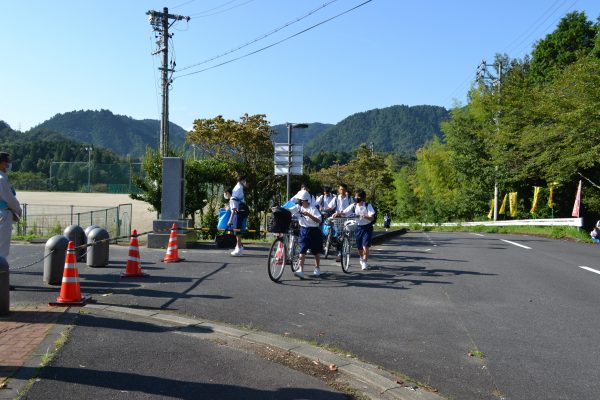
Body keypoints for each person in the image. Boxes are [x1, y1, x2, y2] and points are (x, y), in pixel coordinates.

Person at [333, 189, 375, 271]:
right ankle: (361, 258)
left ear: (362, 197)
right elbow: (345, 212)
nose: (356, 198)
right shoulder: (354, 205)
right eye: (355, 196)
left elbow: (372, 218)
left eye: (358, 196)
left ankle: (364, 262)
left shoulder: (367, 205)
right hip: (358, 227)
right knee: (359, 247)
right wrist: (338, 213)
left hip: (367, 227)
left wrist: (364, 216)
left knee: (365, 246)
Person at [285, 190, 323, 278]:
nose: (299, 201)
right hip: (303, 230)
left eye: (300, 200)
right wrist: (280, 209)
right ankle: (300, 270)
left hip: (314, 231)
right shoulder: (298, 207)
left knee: (316, 251)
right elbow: (289, 210)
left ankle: (317, 268)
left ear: (304, 200)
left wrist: (309, 215)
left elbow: (319, 220)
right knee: (302, 249)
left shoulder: (313, 208)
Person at [0, 152, 22, 258]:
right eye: (7, 162)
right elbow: (9, 199)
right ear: (1, 163)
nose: (9, 165)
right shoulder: (1, 179)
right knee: (2, 247)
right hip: (3, 213)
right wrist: (18, 210)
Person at [325, 184, 353, 261]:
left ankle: (347, 250)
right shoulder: (336, 198)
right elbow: (330, 207)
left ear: (346, 190)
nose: (341, 191)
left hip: (347, 219)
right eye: (340, 189)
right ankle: (339, 253)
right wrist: (324, 210)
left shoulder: (350, 198)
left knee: (347, 235)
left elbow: (352, 208)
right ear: (338, 190)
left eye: (343, 189)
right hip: (338, 219)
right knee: (338, 236)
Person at [228, 175, 248, 256]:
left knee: (237, 232)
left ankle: (239, 248)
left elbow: (234, 206)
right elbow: (236, 202)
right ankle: (239, 247)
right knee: (237, 232)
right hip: (239, 211)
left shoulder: (238, 187)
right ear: (242, 180)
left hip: (239, 212)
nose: (245, 182)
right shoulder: (239, 188)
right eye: (245, 180)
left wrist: (230, 220)